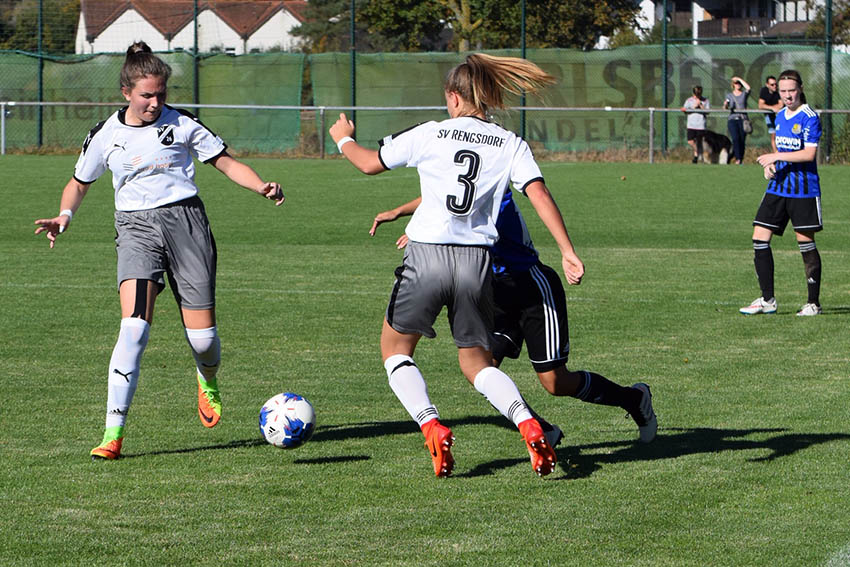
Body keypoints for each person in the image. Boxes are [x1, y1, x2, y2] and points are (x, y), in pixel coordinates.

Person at [329, 53, 578, 478]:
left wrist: (342, 139)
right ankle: (527, 421)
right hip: (475, 262)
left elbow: (369, 163)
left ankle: (430, 424)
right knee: (476, 364)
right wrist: (567, 249)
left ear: (454, 97)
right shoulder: (510, 144)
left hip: (425, 255)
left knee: (395, 351)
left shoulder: (431, 133)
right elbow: (537, 192)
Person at [34, 42, 285, 460]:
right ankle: (112, 433)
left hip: (187, 224)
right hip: (134, 228)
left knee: (203, 340)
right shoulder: (105, 135)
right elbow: (79, 183)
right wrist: (64, 216)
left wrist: (260, 185)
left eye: (161, 95)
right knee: (133, 329)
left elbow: (225, 162)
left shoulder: (182, 123)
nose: (154, 103)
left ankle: (207, 379)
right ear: (126, 92)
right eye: (146, 95)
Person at [369, 192, 658, 447]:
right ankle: (541, 430)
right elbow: (446, 195)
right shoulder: (475, 187)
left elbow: (463, 208)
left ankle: (634, 399)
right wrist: (407, 216)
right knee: (483, 370)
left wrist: (432, 232)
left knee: (556, 382)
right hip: (494, 294)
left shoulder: (496, 194)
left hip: (531, 289)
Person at [740, 69, 822, 317]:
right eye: (783, 91)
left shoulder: (809, 117)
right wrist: (771, 166)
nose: (787, 95)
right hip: (778, 187)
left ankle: (813, 304)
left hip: (803, 189)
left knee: (805, 243)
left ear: (801, 89)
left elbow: (809, 154)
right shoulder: (780, 116)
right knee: (759, 238)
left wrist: (775, 155)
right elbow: (780, 149)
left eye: (792, 90)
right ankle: (767, 300)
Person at [723, 76, 751, 164]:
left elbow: (748, 88)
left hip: (743, 119)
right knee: (735, 138)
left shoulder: (743, 94)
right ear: (733, 85)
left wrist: (739, 79)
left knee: (742, 140)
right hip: (733, 119)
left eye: (739, 83)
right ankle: (738, 159)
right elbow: (725, 106)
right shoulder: (729, 95)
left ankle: (739, 157)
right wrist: (726, 105)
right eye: (736, 83)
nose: (738, 85)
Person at [682, 85, 710, 163]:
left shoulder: (705, 100)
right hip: (691, 125)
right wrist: (694, 107)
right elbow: (685, 110)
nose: (697, 95)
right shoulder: (689, 100)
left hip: (700, 125)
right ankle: (699, 152)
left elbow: (708, 111)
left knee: (699, 142)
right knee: (690, 141)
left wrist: (701, 105)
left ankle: (696, 157)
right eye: (696, 93)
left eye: (699, 93)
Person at [758, 76, 783, 152]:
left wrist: (772, 108)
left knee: (781, 135)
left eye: (776, 84)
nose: (774, 86)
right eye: (772, 85)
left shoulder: (779, 91)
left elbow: (781, 105)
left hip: (780, 116)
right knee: (773, 135)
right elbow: (761, 105)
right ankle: (776, 154)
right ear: (767, 85)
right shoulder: (764, 91)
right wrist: (772, 108)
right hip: (769, 116)